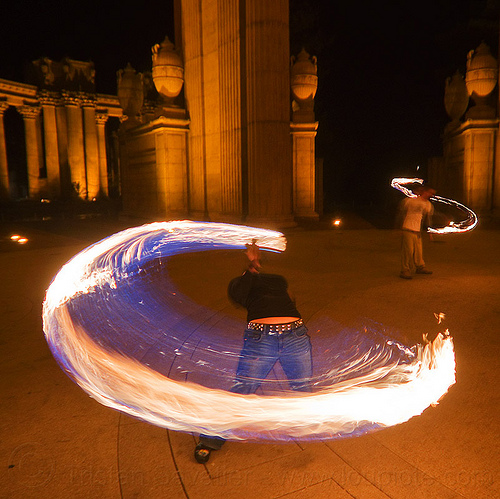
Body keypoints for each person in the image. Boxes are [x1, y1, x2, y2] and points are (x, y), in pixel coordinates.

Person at [194, 241, 313, 463]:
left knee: (303, 386)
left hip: (296, 335)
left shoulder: (279, 280)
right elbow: (239, 295)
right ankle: (211, 438)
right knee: (244, 387)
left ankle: (307, 422)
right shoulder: (238, 285)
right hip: (261, 339)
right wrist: (251, 267)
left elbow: (288, 297)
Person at [398, 185, 436, 279]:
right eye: (430, 192)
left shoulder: (428, 204)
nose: (431, 195)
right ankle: (405, 270)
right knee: (408, 251)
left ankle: (420, 267)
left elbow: (426, 219)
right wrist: (399, 228)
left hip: (417, 230)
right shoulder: (410, 201)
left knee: (419, 251)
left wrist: (429, 232)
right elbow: (401, 213)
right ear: (425, 192)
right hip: (408, 228)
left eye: (433, 193)